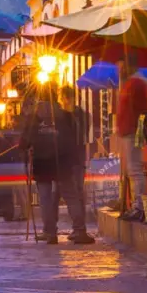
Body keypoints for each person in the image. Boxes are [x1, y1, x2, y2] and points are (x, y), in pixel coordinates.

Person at [19, 83, 90, 244]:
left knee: (45, 198)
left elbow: (24, 142)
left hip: (42, 163)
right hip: (63, 161)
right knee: (71, 196)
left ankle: (50, 233)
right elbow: (74, 139)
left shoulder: (34, 118)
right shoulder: (65, 115)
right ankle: (79, 230)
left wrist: (27, 146)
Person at [116, 54, 147, 222]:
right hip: (127, 132)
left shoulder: (137, 83)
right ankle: (135, 205)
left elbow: (141, 112)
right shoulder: (128, 84)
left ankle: (140, 206)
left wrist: (137, 133)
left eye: (121, 65)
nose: (118, 69)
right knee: (131, 170)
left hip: (133, 132)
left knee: (135, 170)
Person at [59, 86, 94, 243]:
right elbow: (84, 135)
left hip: (67, 160)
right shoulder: (85, 115)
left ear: (65, 97)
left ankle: (78, 229)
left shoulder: (62, 116)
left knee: (71, 195)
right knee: (78, 194)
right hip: (79, 158)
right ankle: (79, 228)